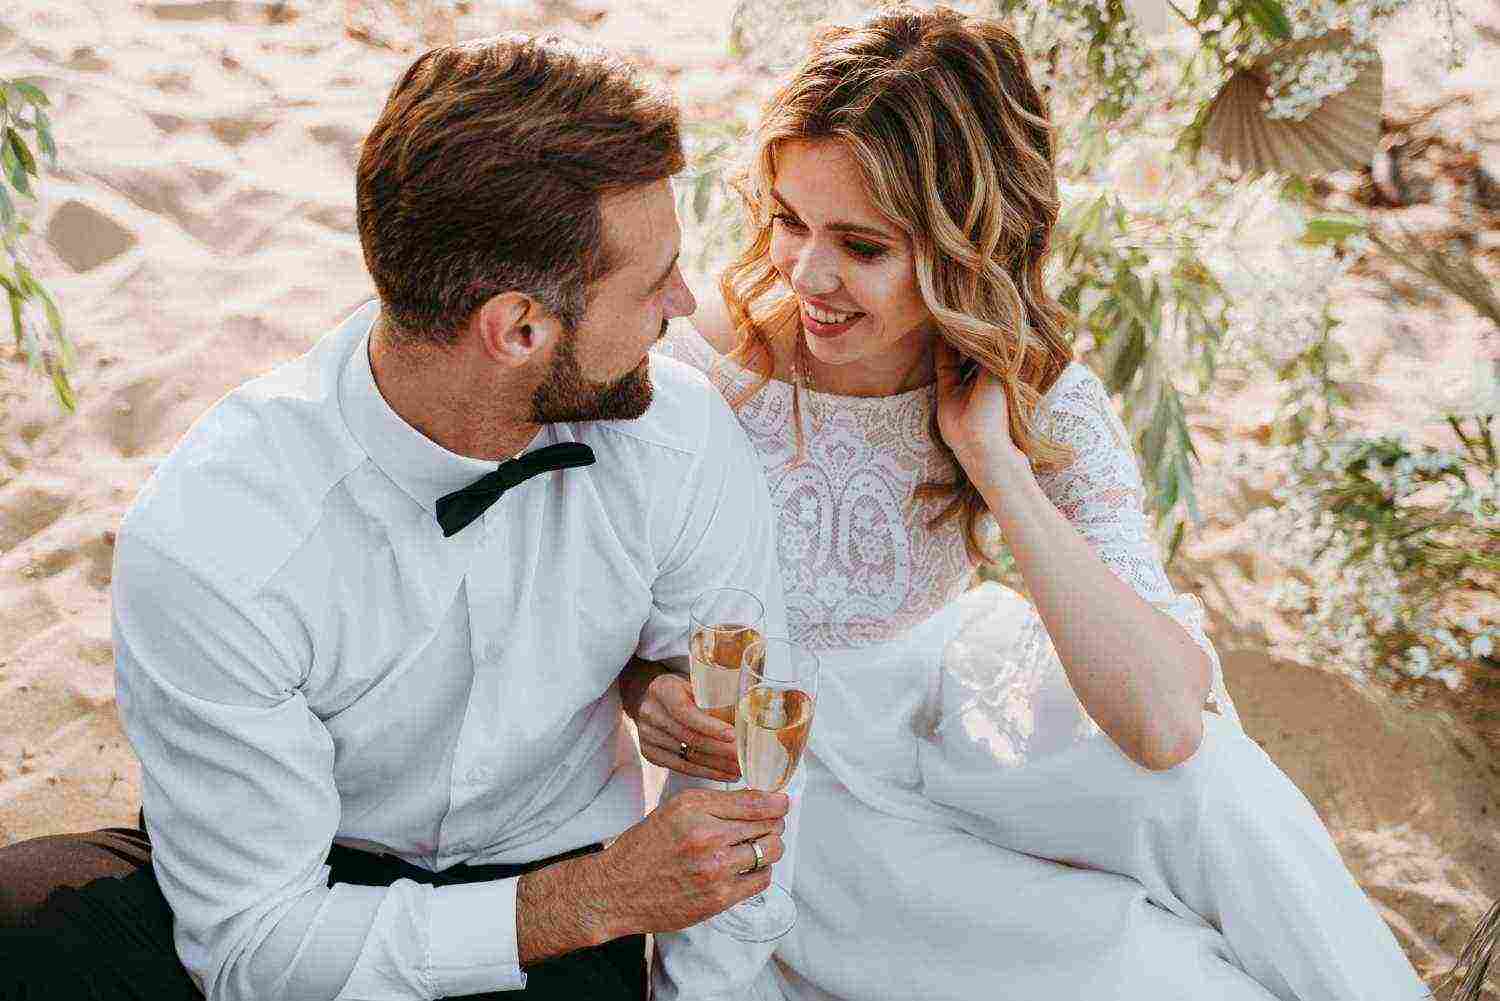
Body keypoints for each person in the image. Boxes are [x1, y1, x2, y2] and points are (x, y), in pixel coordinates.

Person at [631, 6, 1444, 999]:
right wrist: (648, 687)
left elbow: (1161, 722)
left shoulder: (1033, 398)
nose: (808, 272)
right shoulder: (695, 367)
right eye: (790, 219)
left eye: (863, 244)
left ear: (964, 244)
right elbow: (598, 590)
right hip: (811, 773)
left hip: (960, 703)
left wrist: (996, 465)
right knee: (1146, 966)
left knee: (1212, 792)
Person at [0, 32, 793, 1001]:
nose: (685, 300)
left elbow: (738, 786)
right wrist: (597, 898)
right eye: (653, 279)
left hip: (551, 883)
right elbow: (257, 946)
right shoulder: (215, 535)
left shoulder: (682, 443)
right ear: (518, 329)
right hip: (312, 872)